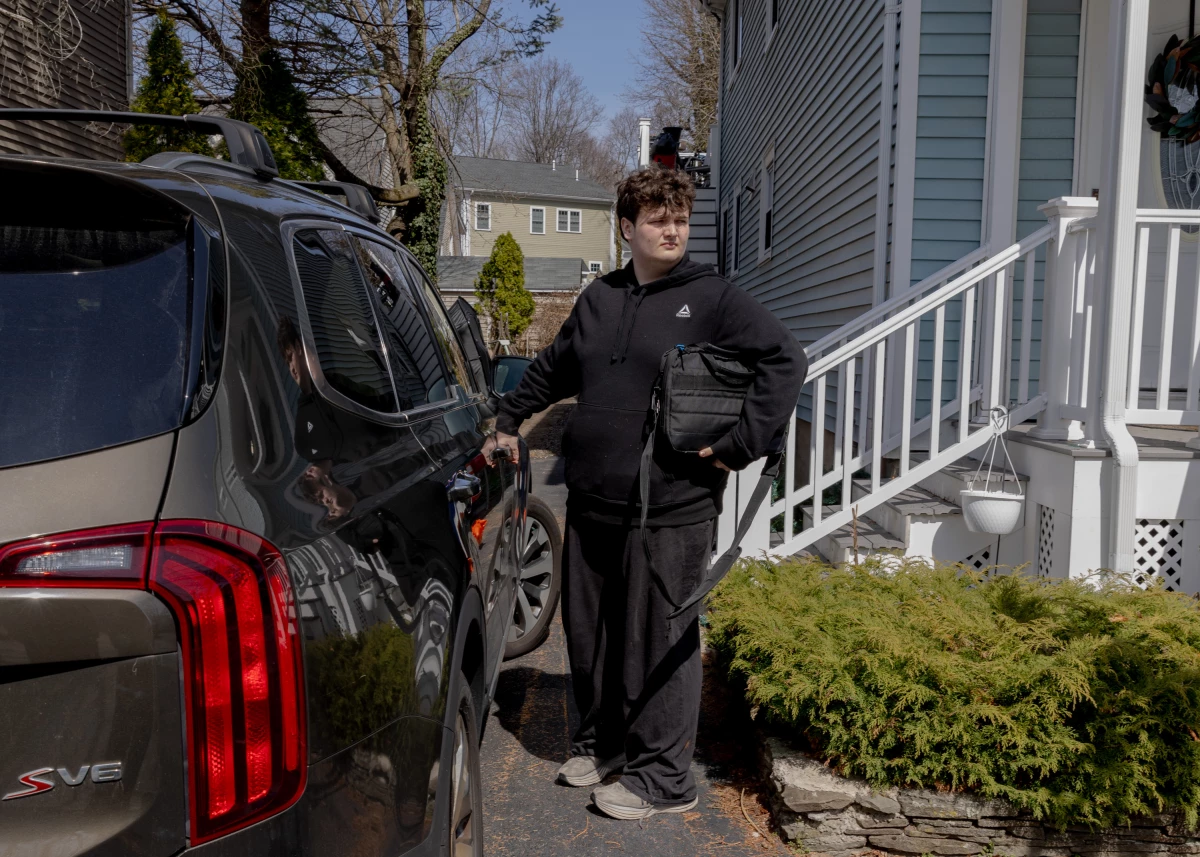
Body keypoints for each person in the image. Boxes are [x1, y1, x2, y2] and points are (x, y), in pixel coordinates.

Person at [490, 165, 807, 820]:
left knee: (660, 639)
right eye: (659, 220)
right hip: (593, 500)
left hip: (673, 506)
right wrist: (507, 417)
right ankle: (604, 743)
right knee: (592, 635)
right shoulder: (600, 298)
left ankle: (664, 778)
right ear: (627, 228)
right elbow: (555, 367)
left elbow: (784, 358)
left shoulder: (713, 298)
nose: (673, 231)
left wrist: (743, 442)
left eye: (681, 221)